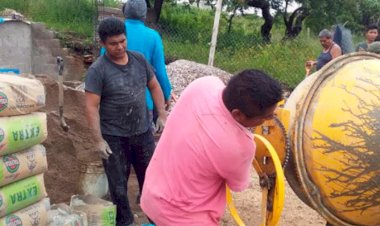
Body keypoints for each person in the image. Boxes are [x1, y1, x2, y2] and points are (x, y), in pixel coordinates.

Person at [141, 70, 283, 225]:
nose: (270, 119)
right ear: (238, 114)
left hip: (152, 198)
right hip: (183, 218)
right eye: (266, 117)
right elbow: (237, 185)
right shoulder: (241, 146)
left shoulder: (205, 84)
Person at [85, 17, 167, 226]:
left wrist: (162, 114)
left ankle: (155, 220)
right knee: (119, 187)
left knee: (150, 181)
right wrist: (98, 140)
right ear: (103, 43)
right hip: (114, 137)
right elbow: (91, 107)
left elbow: (155, 86)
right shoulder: (98, 70)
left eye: (122, 41)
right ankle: (125, 222)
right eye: (113, 44)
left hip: (142, 133)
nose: (120, 47)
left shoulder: (139, 60)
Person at [101, 0, 172, 123]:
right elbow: (160, 71)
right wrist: (167, 94)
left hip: (113, 104)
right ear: (144, 15)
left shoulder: (114, 35)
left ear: (125, 12)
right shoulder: (153, 37)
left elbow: (102, 64)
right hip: (143, 103)